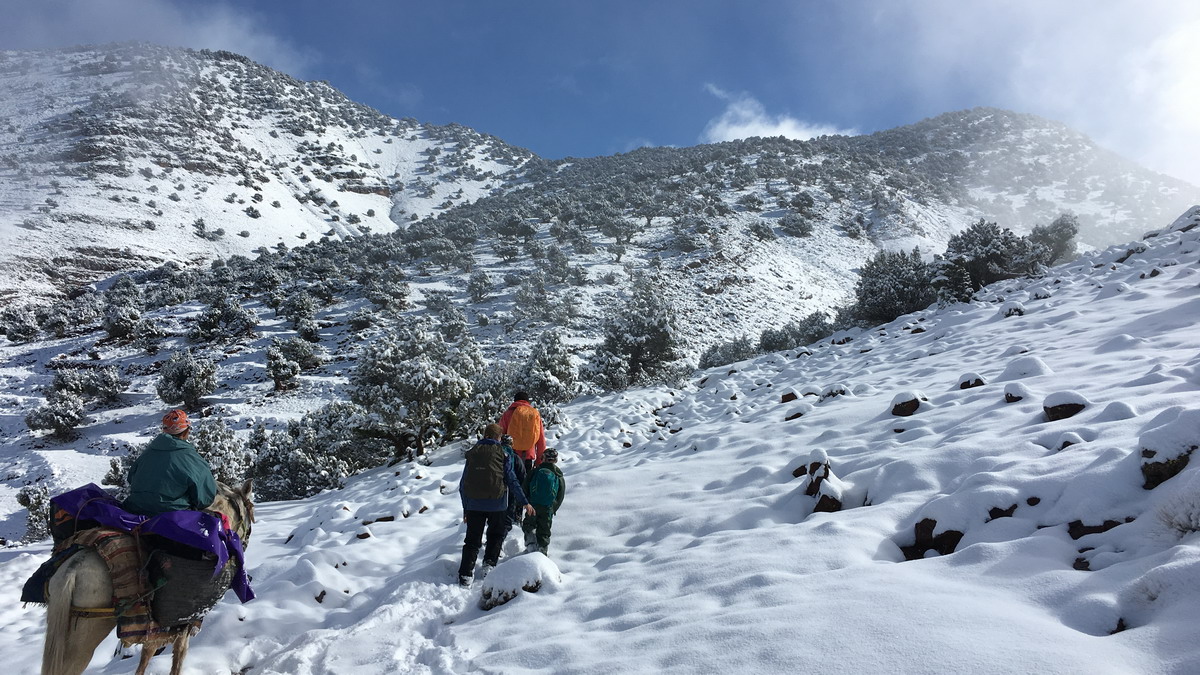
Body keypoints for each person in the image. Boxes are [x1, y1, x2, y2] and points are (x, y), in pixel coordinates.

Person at [458, 423, 534, 586]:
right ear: (498, 437)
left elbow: (463, 484)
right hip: (497, 504)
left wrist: (465, 508)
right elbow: (512, 480)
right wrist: (524, 502)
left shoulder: (472, 453)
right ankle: (489, 565)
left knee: (472, 540)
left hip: (474, 504)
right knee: (496, 535)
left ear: (485, 435)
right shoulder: (503, 453)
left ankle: (465, 574)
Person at [123, 410, 218, 516]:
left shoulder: (148, 452)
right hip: (173, 514)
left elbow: (131, 478)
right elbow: (205, 497)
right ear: (186, 431)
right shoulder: (191, 458)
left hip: (135, 509)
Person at [522, 448, 565, 556]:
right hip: (547, 508)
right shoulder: (558, 475)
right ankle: (542, 551)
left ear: (543, 458)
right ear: (555, 460)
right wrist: (553, 508)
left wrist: (526, 502)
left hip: (533, 505)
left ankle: (530, 546)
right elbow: (560, 495)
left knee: (529, 525)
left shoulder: (535, 471)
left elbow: (525, 487)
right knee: (544, 531)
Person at [498, 391, 546, 475]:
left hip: (511, 455)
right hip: (528, 456)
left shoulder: (508, 414)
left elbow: (499, 435)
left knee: (512, 483)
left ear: (515, 401)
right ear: (527, 401)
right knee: (525, 483)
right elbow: (540, 438)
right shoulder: (534, 414)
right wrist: (539, 460)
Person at [500, 434, 527, 537]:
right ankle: (503, 538)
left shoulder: (495, 455)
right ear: (511, 444)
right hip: (511, 489)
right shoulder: (514, 457)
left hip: (495, 489)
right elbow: (522, 476)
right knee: (508, 517)